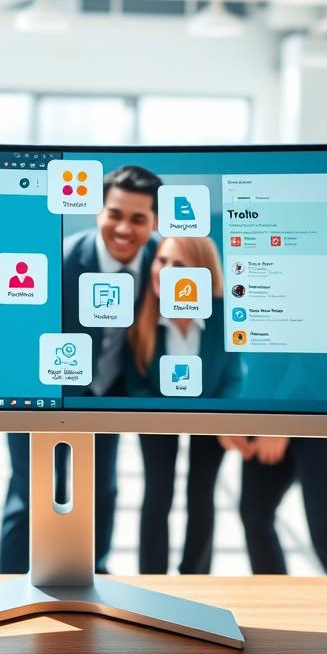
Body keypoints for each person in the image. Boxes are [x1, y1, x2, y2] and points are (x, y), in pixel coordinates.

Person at [0, 165, 162, 574]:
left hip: (110, 391)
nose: (124, 228)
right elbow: (17, 337)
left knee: (101, 490)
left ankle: (95, 572)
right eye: (115, 214)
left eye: (138, 218)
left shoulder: (164, 264)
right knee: (32, 491)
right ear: (98, 212)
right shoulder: (61, 262)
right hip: (41, 390)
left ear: (154, 222)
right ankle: (11, 580)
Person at [126, 236, 239, 574]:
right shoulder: (140, 317)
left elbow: (233, 375)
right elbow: (135, 383)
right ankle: (152, 580)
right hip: (156, 417)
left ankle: (195, 577)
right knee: (157, 497)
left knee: (201, 497)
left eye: (179, 265)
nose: (165, 271)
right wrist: (161, 414)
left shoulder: (223, 318)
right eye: (162, 261)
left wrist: (223, 417)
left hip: (211, 415)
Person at [219, 435, 327, 575]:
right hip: (270, 418)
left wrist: (281, 426)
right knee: (254, 515)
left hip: (322, 422)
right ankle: (274, 599)